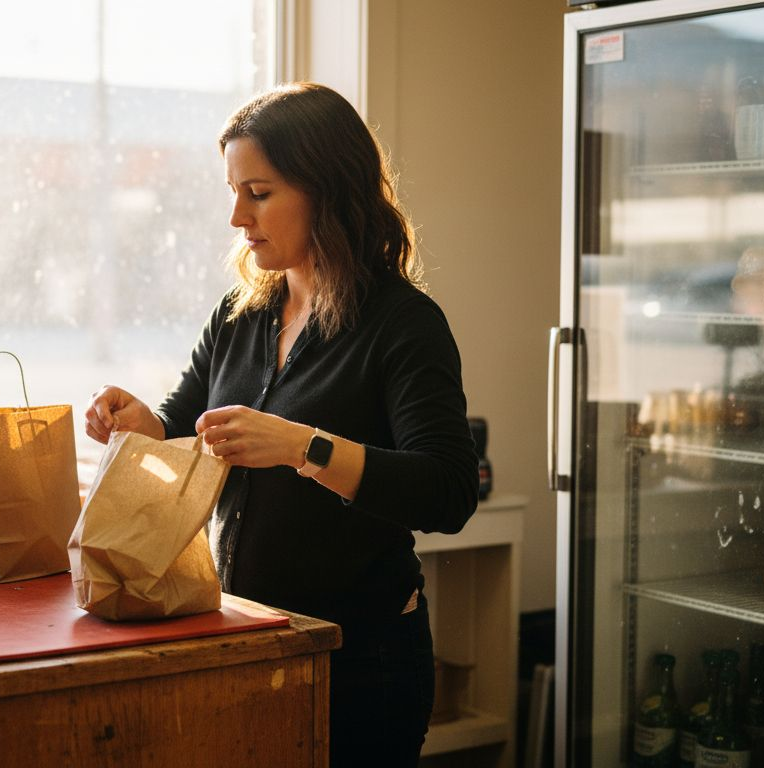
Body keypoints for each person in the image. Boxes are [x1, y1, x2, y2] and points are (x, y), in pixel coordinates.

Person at [84, 82, 479, 767]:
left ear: (327, 190)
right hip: (247, 637)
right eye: (234, 192)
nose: (238, 216)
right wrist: (140, 424)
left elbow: (448, 492)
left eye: (258, 193)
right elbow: (186, 434)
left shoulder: (403, 325)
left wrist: (304, 447)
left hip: (364, 662)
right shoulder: (240, 317)